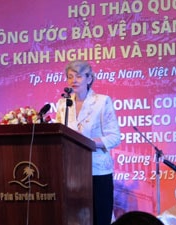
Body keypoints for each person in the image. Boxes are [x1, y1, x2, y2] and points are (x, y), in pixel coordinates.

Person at [56, 60, 121, 225]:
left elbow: (114, 137)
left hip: (97, 171)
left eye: (78, 76)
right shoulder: (63, 104)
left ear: (89, 78)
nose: (74, 81)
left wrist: (86, 141)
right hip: (71, 173)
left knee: (100, 219)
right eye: (70, 77)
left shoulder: (102, 101)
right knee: (74, 219)